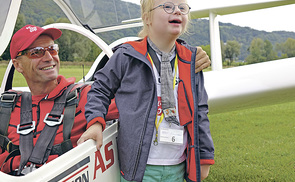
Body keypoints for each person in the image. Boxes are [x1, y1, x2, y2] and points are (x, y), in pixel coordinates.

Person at [79, 0, 215, 181]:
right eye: (168, 6)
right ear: (146, 18)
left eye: (182, 8)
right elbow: (99, 90)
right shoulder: (126, 55)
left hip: (177, 165)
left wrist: (204, 156)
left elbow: (200, 111)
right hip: (139, 167)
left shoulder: (191, 61)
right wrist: (96, 122)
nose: (177, 11)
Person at [0, 24, 120, 175]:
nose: (49, 57)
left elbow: (139, 104)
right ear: (18, 65)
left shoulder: (86, 97)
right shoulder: (6, 107)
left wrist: (96, 122)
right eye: (36, 52)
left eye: (52, 49)